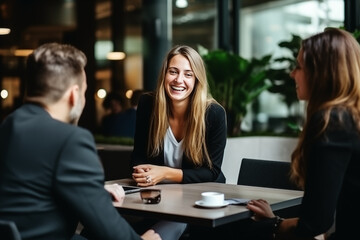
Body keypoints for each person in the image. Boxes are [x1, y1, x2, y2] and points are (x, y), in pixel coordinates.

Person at [0, 43, 161, 240]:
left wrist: (94, 189)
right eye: (84, 92)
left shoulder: (9, 126)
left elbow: (29, 186)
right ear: (73, 94)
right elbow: (108, 228)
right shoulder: (70, 140)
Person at [246, 27, 360, 240]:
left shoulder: (332, 122)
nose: (292, 73)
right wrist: (277, 221)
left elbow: (315, 223)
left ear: (321, 73)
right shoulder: (352, 117)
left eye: (299, 66)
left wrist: (271, 226)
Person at [130, 45, 227, 240]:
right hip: (159, 195)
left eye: (188, 74)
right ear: (164, 74)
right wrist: (141, 172)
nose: (178, 80)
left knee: (179, 217)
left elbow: (212, 171)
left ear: (197, 79)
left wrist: (164, 172)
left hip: (201, 197)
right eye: (173, 71)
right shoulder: (148, 105)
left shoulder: (214, 114)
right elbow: (138, 155)